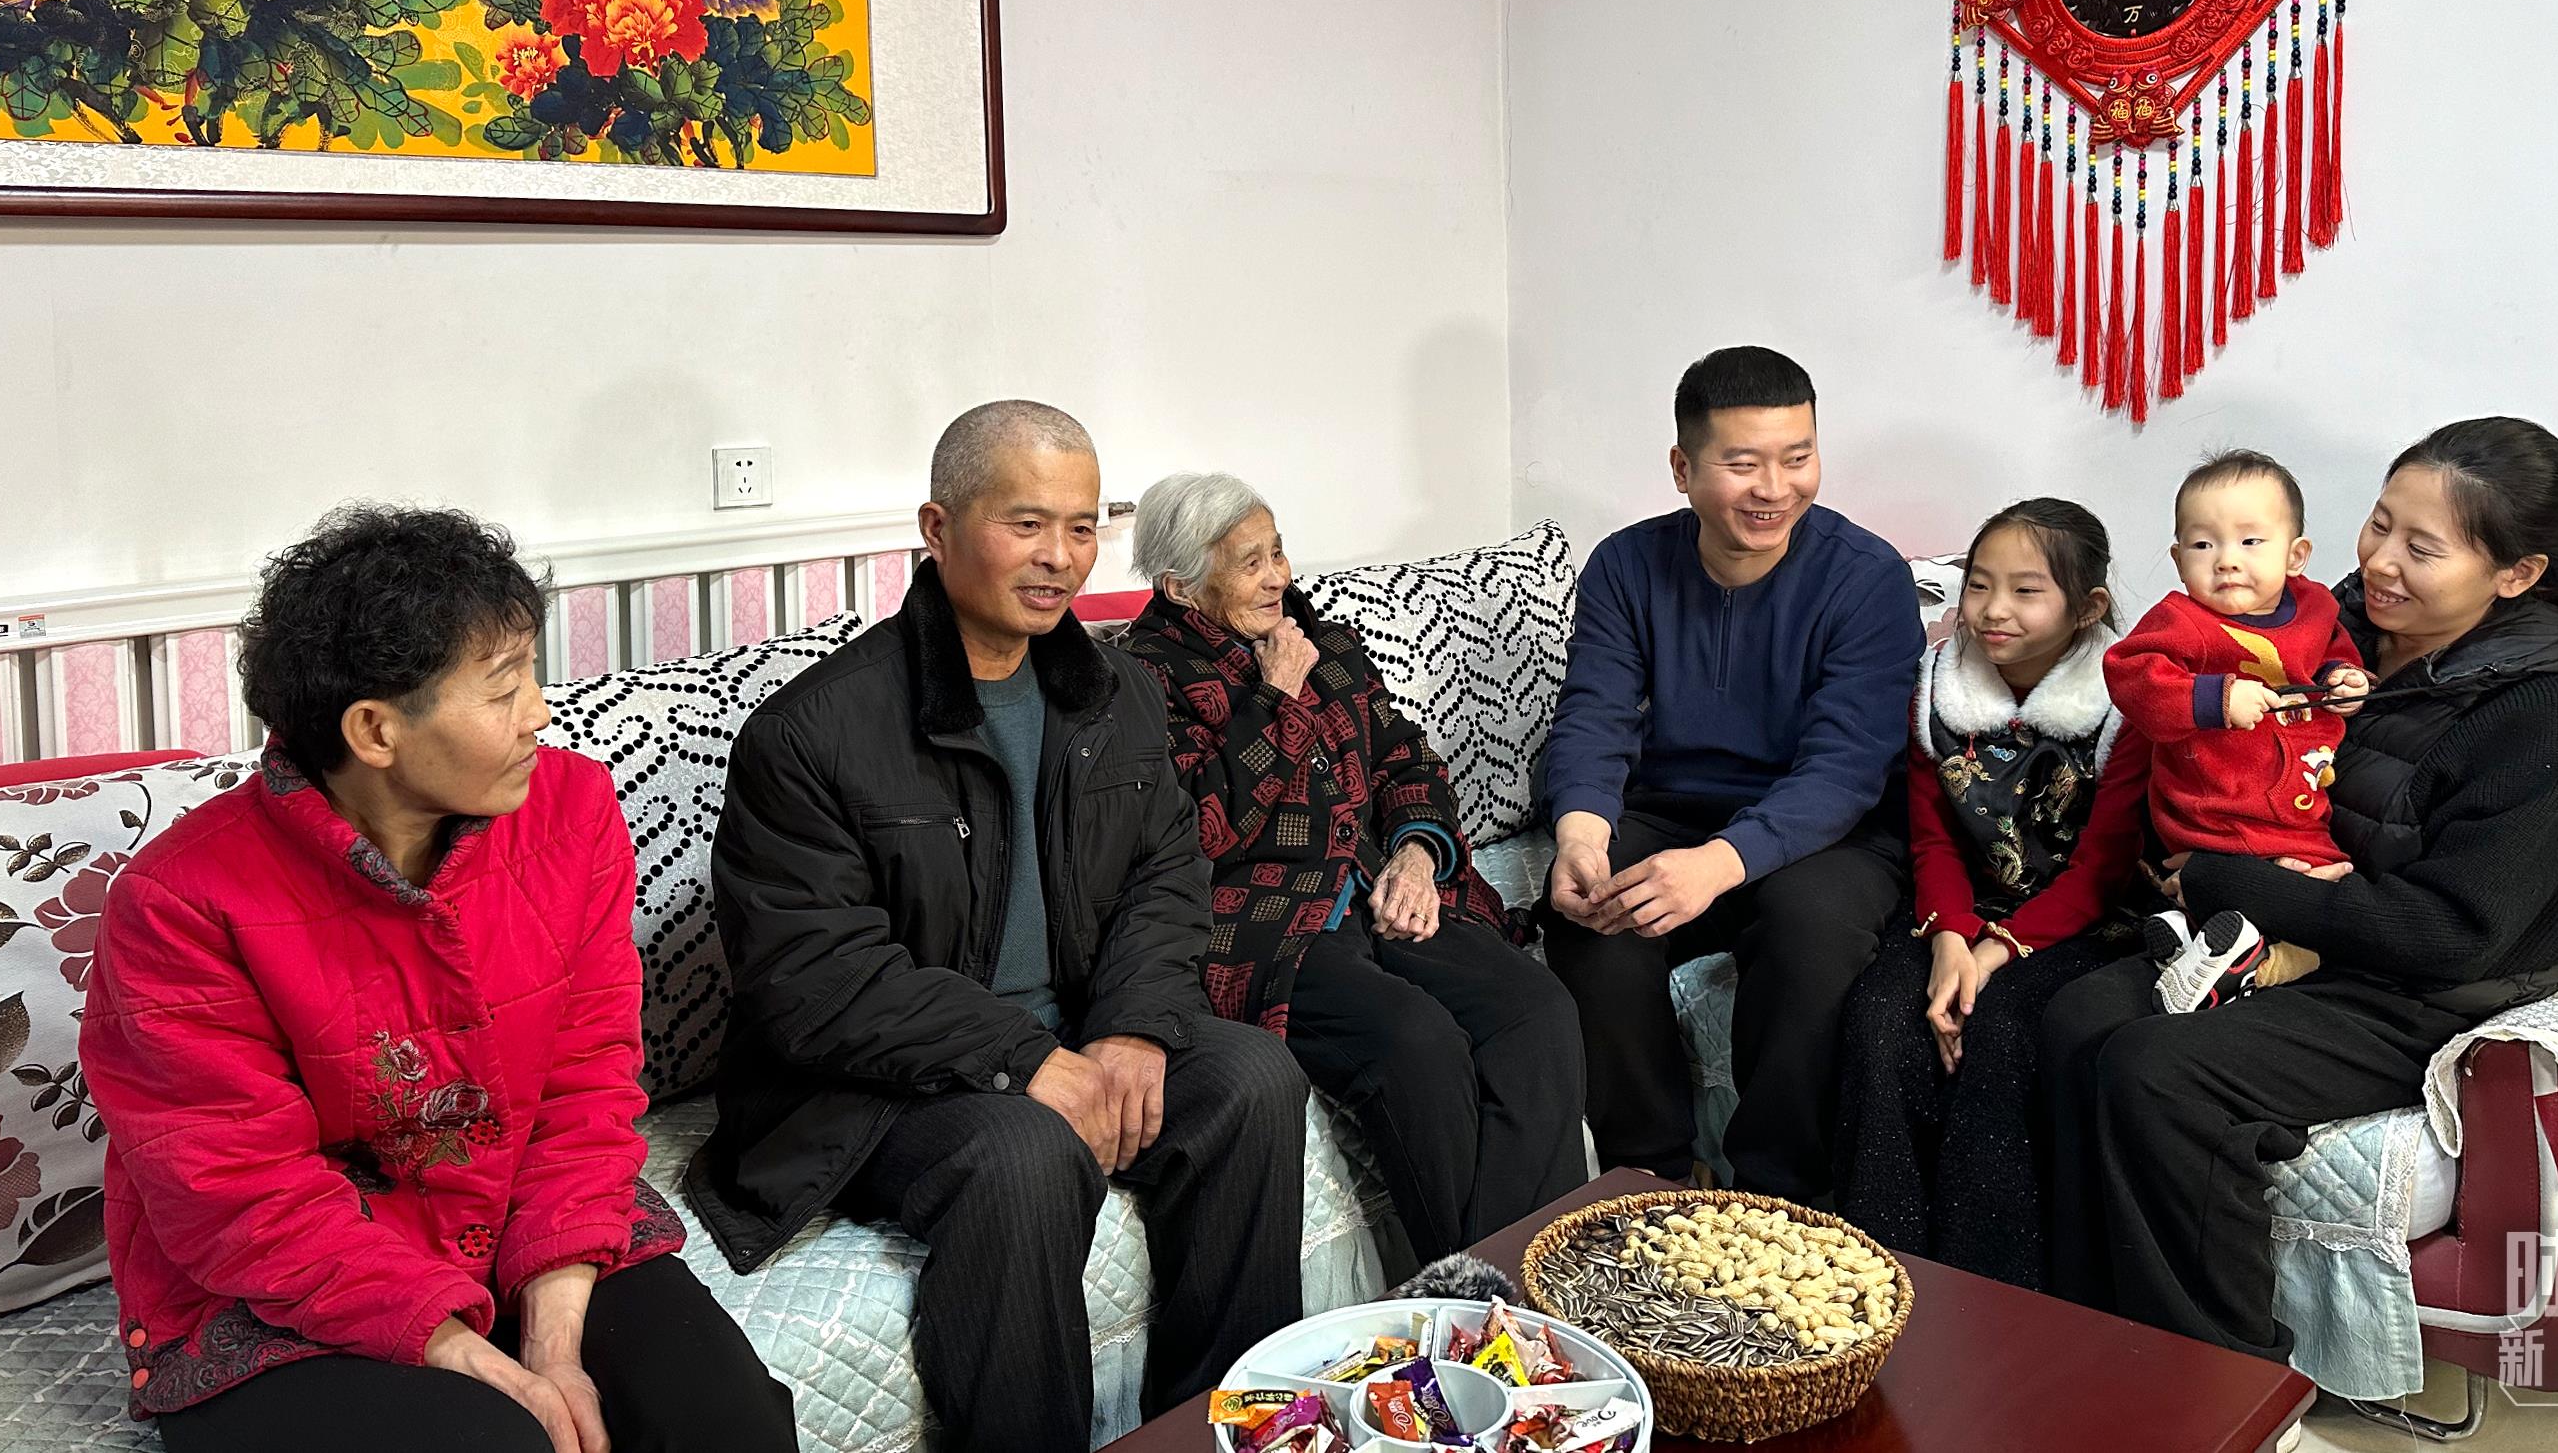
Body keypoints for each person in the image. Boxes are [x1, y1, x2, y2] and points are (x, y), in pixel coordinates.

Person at [80, 506, 794, 1453]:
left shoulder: (571, 810)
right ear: (375, 730)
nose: (540, 712)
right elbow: (240, 1195)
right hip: (284, 1284)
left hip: (523, 1217)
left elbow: (586, 1083)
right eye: (503, 687)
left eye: (531, 672)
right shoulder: (178, 902)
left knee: (725, 1422)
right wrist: (479, 1362)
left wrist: (554, 1341)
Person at [685, 402, 1310, 1453]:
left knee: (1253, 1078)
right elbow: (814, 978)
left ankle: (1220, 1430)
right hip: (878, 1083)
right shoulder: (812, 730)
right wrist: (1026, 1060)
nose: (1059, 557)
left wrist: (1132, 1028)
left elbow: (1166, 875)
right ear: (937, 528)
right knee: (1026, 1152)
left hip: (1071, 1025)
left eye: (1081, 527)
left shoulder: (1114, 691)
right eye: (1026, 524)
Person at [2044, 416, 2558, 1358]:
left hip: (2427, 986)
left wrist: (2231, 879)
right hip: (2308, 930)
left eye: (2420, 549)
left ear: (2514, 575)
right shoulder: (2332, 627)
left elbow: (2452, 933)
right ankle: (2088, 1334)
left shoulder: (2548, 711)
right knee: (2075, 1019)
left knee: (2159, 1074)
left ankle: (2226, 1386)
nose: (2380, 561)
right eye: (2380, 523)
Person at [1121, 472, 1586, 1265]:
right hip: (1261, 926)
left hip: (1375, 887)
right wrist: (1273, 696)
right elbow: (1200, 833)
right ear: (1179, 586)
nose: (1277, 577)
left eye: (1277, 553)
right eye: (1249, 563)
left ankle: (1523, 1277)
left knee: (1534, 1008)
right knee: (1415, 1041)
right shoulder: (1141, 679)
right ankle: (1482, 1294)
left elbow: (1408, 761)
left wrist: (1415, 852)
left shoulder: (1324, 643)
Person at [1539, 345, 1927, 1202]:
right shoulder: (1625, 565)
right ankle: (1648, 1182)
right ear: (1682, 469)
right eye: (1742, 464)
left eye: (1797, 458)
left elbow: (1844, 769)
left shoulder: (1866, 578)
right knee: (1588, 918)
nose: (1774, 488)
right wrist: (1580, 833)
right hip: (1674, 810)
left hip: (1829, 832)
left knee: (1808, 929)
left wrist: (1718, 865)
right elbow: (1594, 716)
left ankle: (1777, 1197)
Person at [1835, 499, 2151, 1291]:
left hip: (2081, 925)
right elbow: (1932, 841)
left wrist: (1993, 954)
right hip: (1960, 910)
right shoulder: (1936, 689)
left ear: (2087, 608)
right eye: (1978, 585)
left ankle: (1992, 1287)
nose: (1992, 610)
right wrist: (1950, 936)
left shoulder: (2126, 701)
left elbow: (2102, 872)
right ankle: (1877, 1272)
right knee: (1880, 1014)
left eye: (2025, 591)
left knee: (2001, 1029)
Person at [2102, 450, 2369, 1011]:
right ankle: (2260, 960)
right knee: (2306, 884)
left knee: (2326, 882)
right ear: (2178, 560)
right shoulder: (2183, 621)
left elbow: (2333, 655)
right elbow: (2130, 675)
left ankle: (2198, 942)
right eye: (2203, 545)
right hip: (2216, 806)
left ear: (2295, 555)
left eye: (2250, 542)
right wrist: (2214, 698)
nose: (2225, 560)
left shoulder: (2317, 608)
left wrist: (2344, 680)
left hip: (2296, 801)